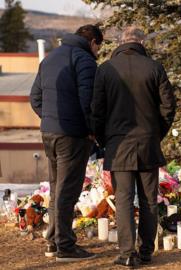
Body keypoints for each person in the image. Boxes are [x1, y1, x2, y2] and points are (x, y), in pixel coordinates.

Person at [91, 27, 176, 267]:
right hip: (148, 141)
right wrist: (156, 133)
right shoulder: (154, 67)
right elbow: (168, 107)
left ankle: (127, 253)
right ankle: (146, 251)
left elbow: (97, 110)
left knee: (124, 199)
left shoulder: (106, 69)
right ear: (140, 42)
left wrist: (104, 139)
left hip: (118, 144)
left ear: (120, 43)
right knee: (149, 199)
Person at [30, 25, 103, 262]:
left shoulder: (51, 58)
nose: (98, 52)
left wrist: (50, 119)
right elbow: (87, 100)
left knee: (56, 188)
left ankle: (53, 241)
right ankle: (65, 246)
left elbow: (35, 98)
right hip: (72, 136)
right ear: (92, 41)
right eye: (98, 47)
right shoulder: (84, 61)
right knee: (67, 191)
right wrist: (92, 130)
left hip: (49, 133)